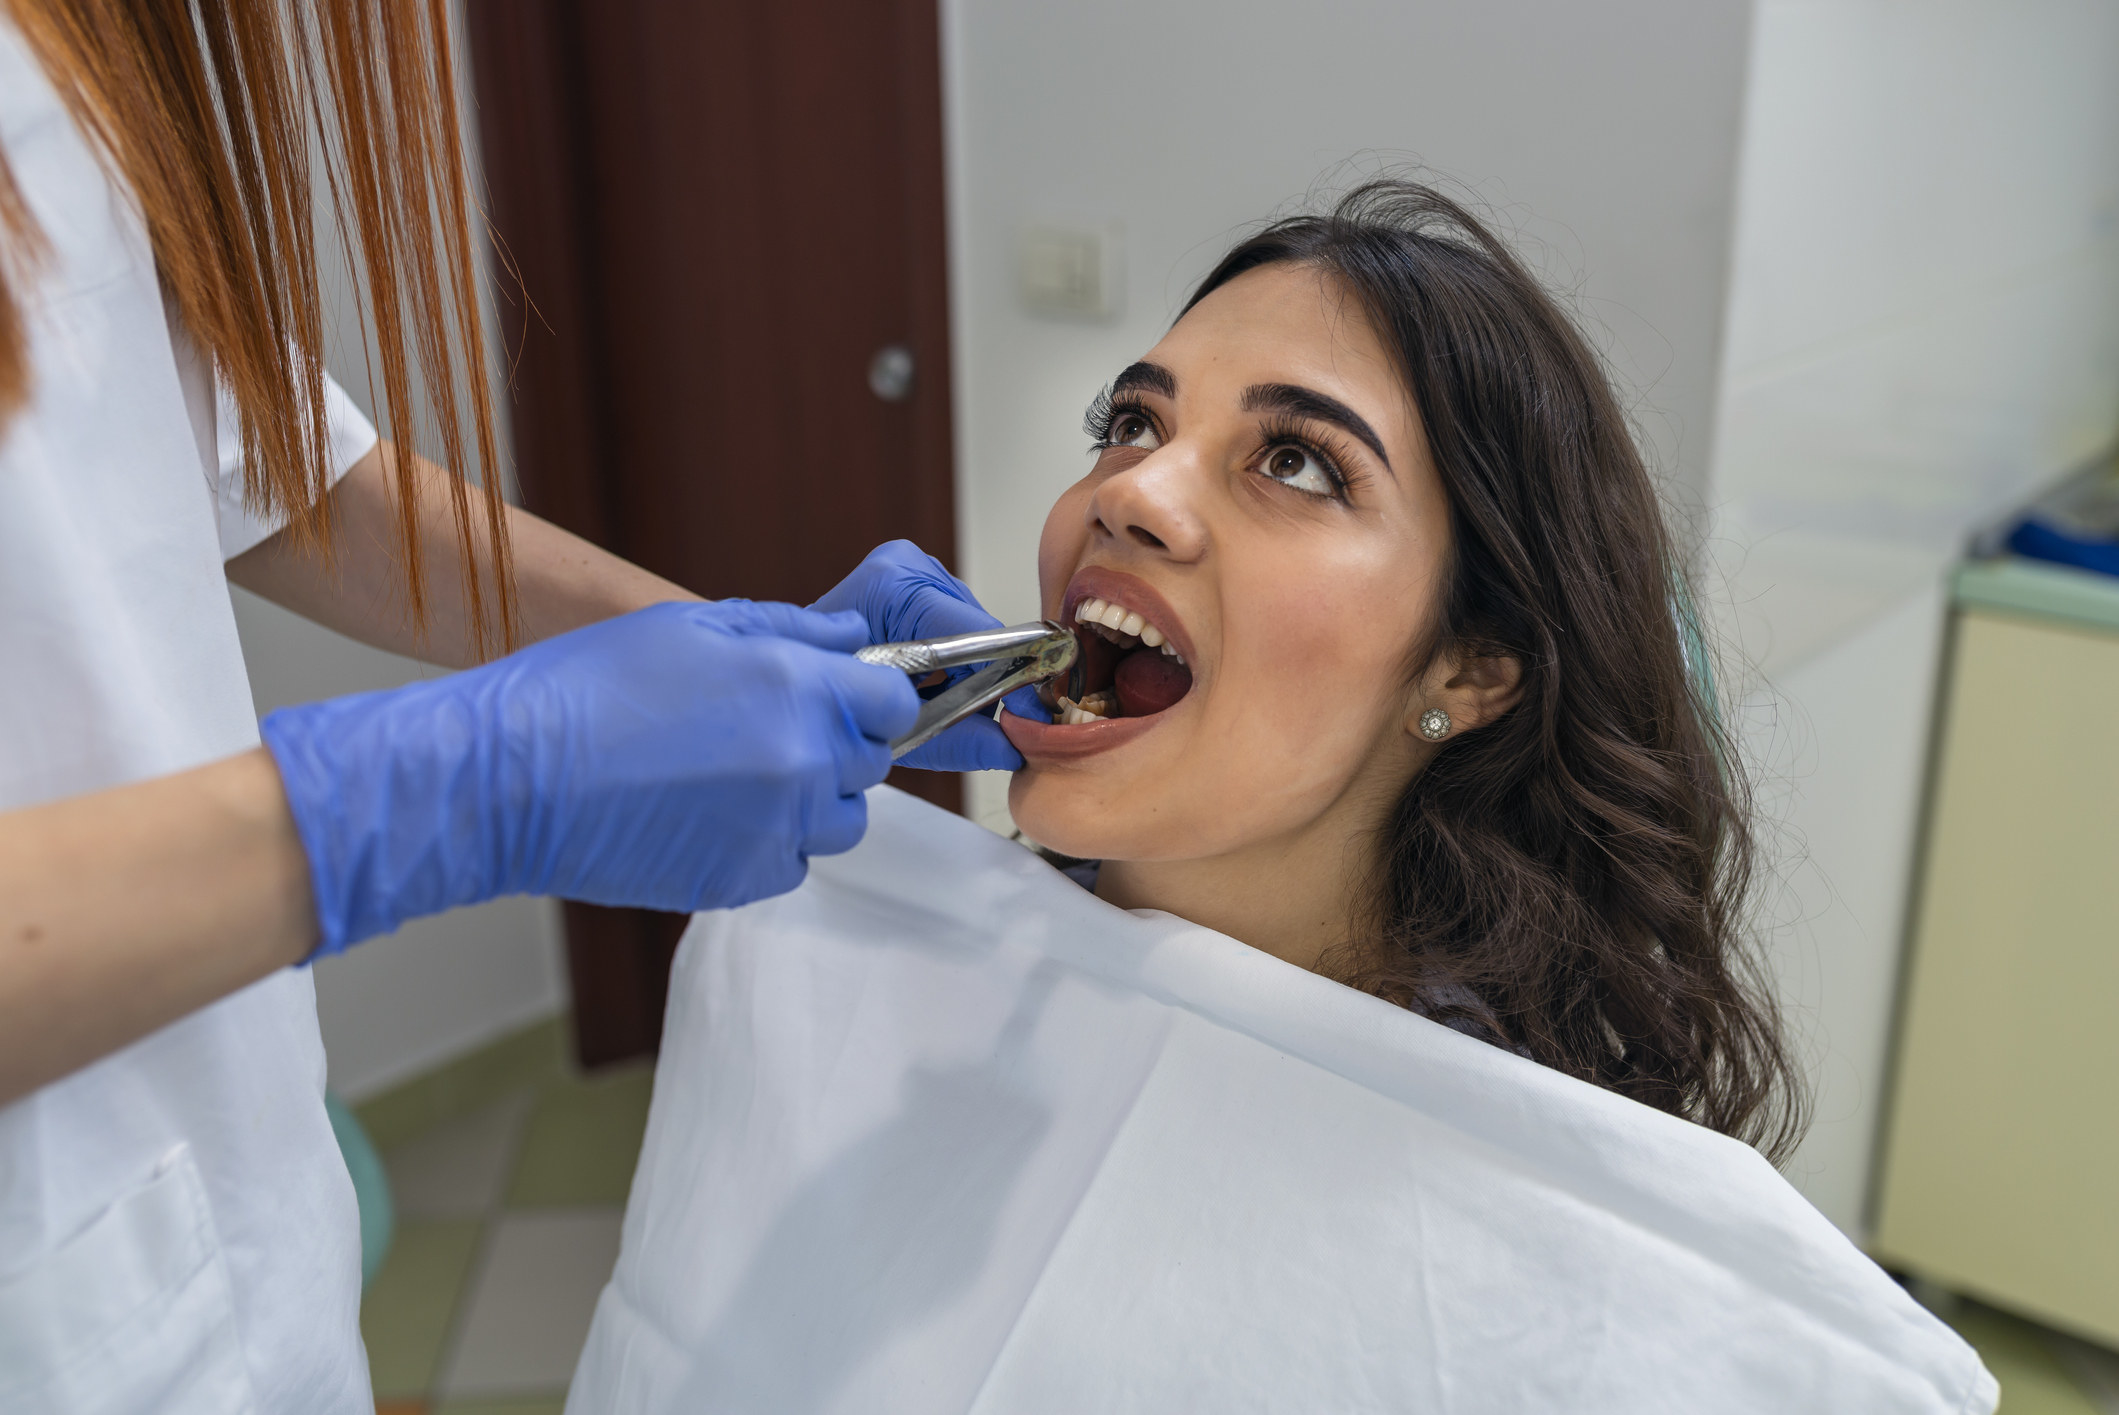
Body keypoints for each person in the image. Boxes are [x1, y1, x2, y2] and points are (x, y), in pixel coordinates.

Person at [570, 182, 1997, 1412]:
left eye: (1298, 460)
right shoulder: (837, 942)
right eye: (1131, 421)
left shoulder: (1559, 1248)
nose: (1128, 494)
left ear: (1473, 664)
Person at [0, 7, 1013, 1412]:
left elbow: (266, 469)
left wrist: (717, 637)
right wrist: (427, 799)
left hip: (218, 1243)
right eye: (1131, 427)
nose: (1144, 496)